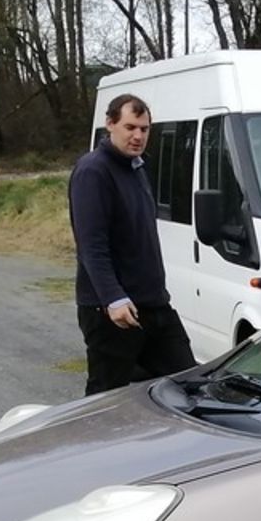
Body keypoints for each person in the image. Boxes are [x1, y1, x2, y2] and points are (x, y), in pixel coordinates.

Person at [68, 93, 197, 394]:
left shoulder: (137, 168)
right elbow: (91, 245)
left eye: (144, 129)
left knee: (189, 385)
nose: (138, 136)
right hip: (112, 311)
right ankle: (95, 442)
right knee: (105, 398)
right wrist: (112, 297)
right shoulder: (93, 171)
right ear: (109, 124)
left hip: (154, 305)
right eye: (130, 127)